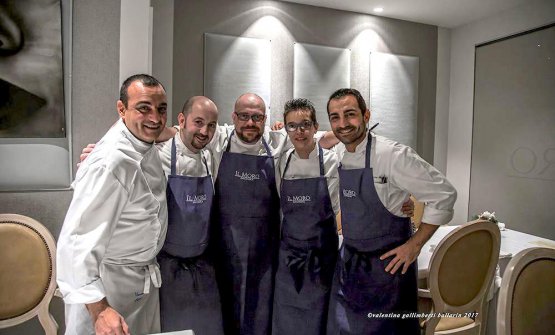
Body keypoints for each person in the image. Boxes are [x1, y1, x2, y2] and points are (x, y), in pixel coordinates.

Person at [325, 88, 457, 334]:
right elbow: (312, 139)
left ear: (366, 116)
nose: (343, 124)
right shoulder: (339, 154)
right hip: (350, 265)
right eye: (335, 117)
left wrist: (414, 245)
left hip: (389, 270)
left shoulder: (393, 155)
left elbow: (444, 195)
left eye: (350, 114)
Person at [57, 74, 168, 335]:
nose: (155, 118)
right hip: (106, 289)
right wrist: (100, 310)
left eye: (161, 109)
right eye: (143, 108)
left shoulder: (143, 143)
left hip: (139, 285)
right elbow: (76, 241)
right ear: (122, 109)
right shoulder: (110, 163)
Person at [208, 93, 287, 335]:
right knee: (224, 313)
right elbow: (177, 132)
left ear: (265, 119)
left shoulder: (277, 142)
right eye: (244, 116)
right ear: (233, 117)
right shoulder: (217, 139)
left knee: (259, 316)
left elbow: (320, 137)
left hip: (264, 255)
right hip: (223, 250)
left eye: (257, 118)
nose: (250, 123)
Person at [156, 96, 224, 334]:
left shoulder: (209, 157)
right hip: (169, 270)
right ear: (182, 120)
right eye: (198, 122)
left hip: (203, 268)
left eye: (212, 125)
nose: (205, 131)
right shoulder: (160, 156)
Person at [272, 98, 340, 335]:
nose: (299, 131)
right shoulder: (281, 161)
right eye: (292, 125)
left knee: (320, 321)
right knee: (287, 321)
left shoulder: (333, 161)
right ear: (286, 128)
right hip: (289, 257)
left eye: (305, 124)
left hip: (323, 259)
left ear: (315, 126)